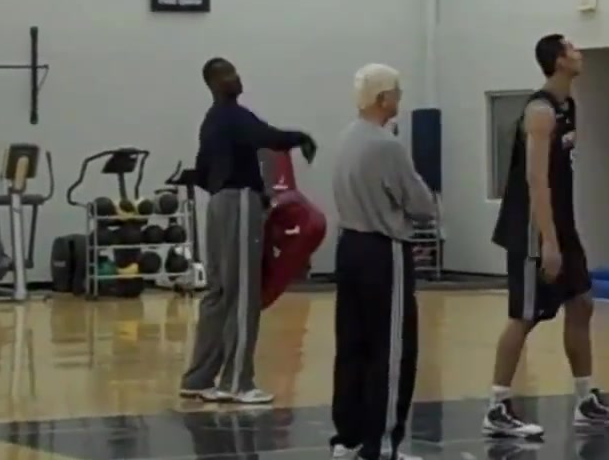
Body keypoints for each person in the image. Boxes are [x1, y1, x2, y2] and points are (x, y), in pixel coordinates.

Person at [483, 34, 609, 438]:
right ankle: (497, 406)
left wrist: (564, 233)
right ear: (558, 60)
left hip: (561, 224)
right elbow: (536, 180)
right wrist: (549, 241)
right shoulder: (540, 111)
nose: (578, 52)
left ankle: (586, 401)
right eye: (571, 49)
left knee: (582, 303)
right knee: (524, 316)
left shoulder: (569, 105)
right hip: (532, 228)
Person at [179, 56, 318, 405]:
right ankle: (237, 382)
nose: (235, 78)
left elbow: (202, 169)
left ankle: (198, 379)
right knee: (243, 294)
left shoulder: (211, 121)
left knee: (218, 293)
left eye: (235, 72)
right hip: (239, 201)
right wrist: (301, 138)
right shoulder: (233, 115)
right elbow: (267, 136)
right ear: (214, 83)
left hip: (218, 205)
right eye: (227, 74)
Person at [330, 64, 437, 460]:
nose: (400, 98)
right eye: (396, 92)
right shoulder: (386, 145)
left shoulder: (345, 138)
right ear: (382, 98)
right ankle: (385, 444)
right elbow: (421, 204)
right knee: (391, 350)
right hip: (383, 250)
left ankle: (349, 438)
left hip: (349, 247)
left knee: (351, 345)